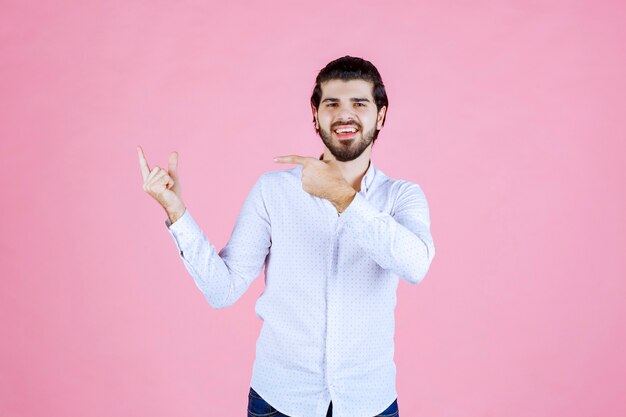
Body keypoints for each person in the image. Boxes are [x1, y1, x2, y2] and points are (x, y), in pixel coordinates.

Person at [138, 55, 435, 417]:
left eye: (359, 103)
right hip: (279, 401)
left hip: (369, 402)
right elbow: (223, 289)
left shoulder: (402, 196)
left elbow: (415, 265)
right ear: (315, 115)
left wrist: (341, 196)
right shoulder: (273, 191)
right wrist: (176, 212)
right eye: (332, 104)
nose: (346, 114)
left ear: (381, 115)